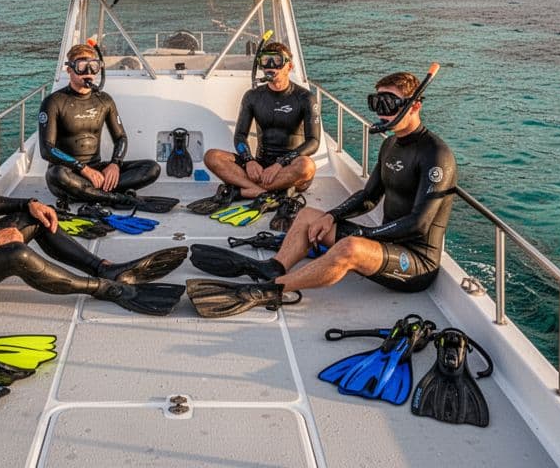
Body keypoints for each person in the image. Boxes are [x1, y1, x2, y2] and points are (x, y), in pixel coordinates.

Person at [0, 69, 187, 315]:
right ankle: (103, 288)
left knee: (35, 216)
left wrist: (30, 203)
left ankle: (103, 268)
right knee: (15, 253)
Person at [185, 70, 456, 316]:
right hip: (385, 242)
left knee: (350, 247)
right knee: (308, 216)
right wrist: (331, 215)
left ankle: (273, 288)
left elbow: (419, 224)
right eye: (377, 103)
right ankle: (274, 266)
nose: (382, 113)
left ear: (415, 106)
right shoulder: (391, 146)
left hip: (415, 261)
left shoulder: (436, 155)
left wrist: (364, 235)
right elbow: (369, 197)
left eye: (389, 105)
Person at [198, 42, 320, 229]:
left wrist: (281, 163)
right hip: (260, 166)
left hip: (289, 169)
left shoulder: (305, 98)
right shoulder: (253, 96)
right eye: (266, 61)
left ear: (289, 66)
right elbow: (240, 135)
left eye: (277, 61)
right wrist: (248, 160)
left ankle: (241, 191)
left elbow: (314, 142)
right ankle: (269, 193)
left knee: (307, 166)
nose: (271, 66)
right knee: (212, 156)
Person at [39, 44, 167, 210]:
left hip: (97, 171)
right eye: (81, 67)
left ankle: (92, 194)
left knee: (151, 168)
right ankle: (115, 198)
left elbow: (120, 137)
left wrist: (115, 164)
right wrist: (82, 168)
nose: (89, 73)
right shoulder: (54, 102)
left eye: (93, 66)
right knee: (56, 175)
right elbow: (46, 149)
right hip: (69, 173)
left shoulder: (104, 100)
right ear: (69, 70)